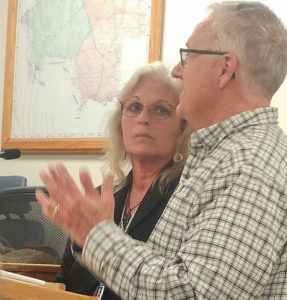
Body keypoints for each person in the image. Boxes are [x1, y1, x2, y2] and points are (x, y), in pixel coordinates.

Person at [36, 2, 287, 299]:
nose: (178, 70)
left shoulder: (249, 164)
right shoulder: (226, 155)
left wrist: (96, 235)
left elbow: (192, 293)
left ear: (224, 69)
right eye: (133, 107)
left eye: (188, 56)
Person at [54, 61, 192, 298]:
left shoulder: (186, 198)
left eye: (161, 109)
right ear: (120, 123)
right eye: (134, 106)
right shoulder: (97, 198)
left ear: (182, 128)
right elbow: (65, 282)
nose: (143, 118)